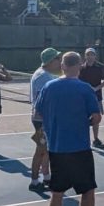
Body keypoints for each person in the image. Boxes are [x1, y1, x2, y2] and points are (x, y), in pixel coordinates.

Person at [35, 51, 104, 206]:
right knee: (87, 191)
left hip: (57, 149)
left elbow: (38, 112)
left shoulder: (49, 87)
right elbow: (96, 117)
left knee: (56, 194)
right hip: (79, 149)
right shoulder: (85, 89)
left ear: (63, 66)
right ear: (79, 66)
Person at [28, 48, 61, 192]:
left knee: (47, 150)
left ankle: (46, 177)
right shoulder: (43, 77)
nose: (59, 62)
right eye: (57, 59)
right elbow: (45, 101)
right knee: (41, 150)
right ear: (50, 61)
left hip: (45, 118)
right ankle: (34, 182)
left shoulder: (46, 74)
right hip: (41, 119)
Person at [79, 48, 104, 150]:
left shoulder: (100, 67)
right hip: (83, 97)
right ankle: (83, 139)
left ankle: (96, 139)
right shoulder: (81, 68)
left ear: (95, 56)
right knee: (83, 118)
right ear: (85, 56)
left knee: (96, 117)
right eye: (88, 55)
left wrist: (96, 88)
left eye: (92, 55)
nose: (90, 57)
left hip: (96, 96)